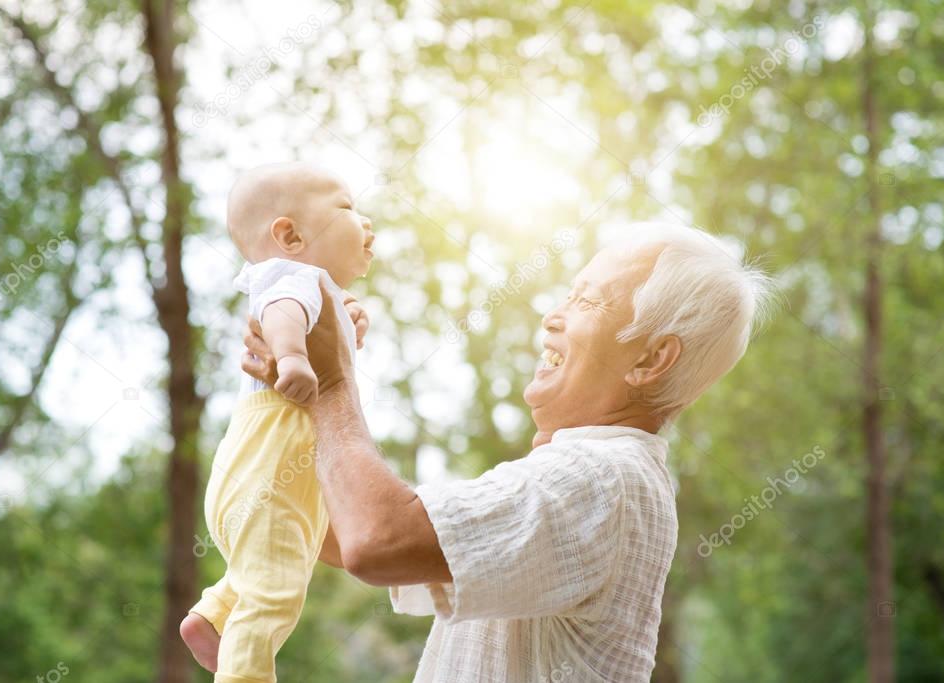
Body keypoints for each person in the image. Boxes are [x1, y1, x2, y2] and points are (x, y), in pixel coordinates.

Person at [239, 223, 770, 682]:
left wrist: (332, 379)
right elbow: (342, 530)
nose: (553, 317)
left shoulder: (604, 478)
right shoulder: (590, 477)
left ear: (651, 359)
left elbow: (378, 540)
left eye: (588, 300)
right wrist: (280, 397)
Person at [179, 162, 375, 683]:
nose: (367, 222)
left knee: (273, 565)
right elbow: (283, 313)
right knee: (275, 596)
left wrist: (350, 318)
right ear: (290, 235)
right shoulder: (295, 278)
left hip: (259, 473)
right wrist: (292, 360)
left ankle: (213, 616)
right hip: (271, 469)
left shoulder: (312, 284)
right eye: (349, 208)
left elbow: (314, 314)